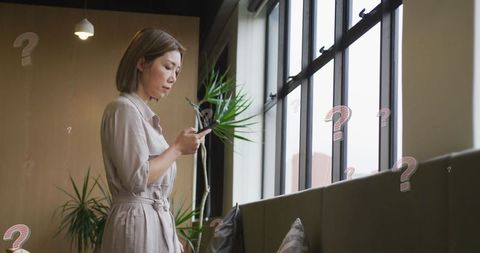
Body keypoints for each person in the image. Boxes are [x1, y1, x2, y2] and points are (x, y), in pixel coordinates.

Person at [100, 28, 210, 253]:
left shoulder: (146, 118)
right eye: (168, 67)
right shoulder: (123, 109)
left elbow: (153, 189)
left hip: (151, 223)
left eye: (177, 72)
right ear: (142, 63)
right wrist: (177, 148)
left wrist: (170, 236)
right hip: (136, 226)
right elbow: (136, 178)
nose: (172, 78)